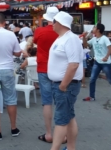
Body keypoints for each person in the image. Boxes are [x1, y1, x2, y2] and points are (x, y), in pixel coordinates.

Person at [47, 11, 83, 150]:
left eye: (54, 21)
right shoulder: (62, 38)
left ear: (60, 23)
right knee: (69, 117)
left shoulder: (70, 39)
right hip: (63, 85)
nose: (52, 24)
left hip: (66, 86)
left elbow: (74, 64)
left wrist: (63, 85)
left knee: (61, 120)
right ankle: (71, 147)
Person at [33, 6, 60, 144]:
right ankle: (63, 133)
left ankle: (49, 133)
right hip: (60, 69)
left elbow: (35, 42)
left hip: (43, 67)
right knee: (61, 101)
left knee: (47, 102)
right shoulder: (62, 32)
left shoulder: (40, 31)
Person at [82, 23, 111, 101]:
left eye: (94, 27)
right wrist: (84, 36)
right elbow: (85, 45)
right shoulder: (94, 39)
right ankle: (91, 96)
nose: (93, 28)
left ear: (98, 30)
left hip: (106, 63)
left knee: (110, 79)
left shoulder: (105, 38)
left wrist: (106, 57)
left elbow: (110, 48)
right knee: (92, 79)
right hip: (97, 62)